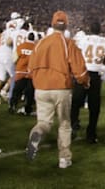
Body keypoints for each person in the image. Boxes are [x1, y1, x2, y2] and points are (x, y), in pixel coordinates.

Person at [26, 11, 89, 169]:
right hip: (61, 87)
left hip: (41, 87)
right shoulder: (68, 43)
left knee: (44, 122)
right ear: (66, 25)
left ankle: (38, 133)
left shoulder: (40, 43)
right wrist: (85, 81)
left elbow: (30, 68)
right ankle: (64, 158)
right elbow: (79, 70)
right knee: (65, 124)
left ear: (52, 24)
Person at [71, 21, 105, 144]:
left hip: (83, 73)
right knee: (94, 107)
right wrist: (102, 68)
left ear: (89, 29)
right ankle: (91, 134)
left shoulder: (83, 39)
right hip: (95, 76)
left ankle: (73, 125)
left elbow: (77, 53)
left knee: (76, 102)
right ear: (100, 30)